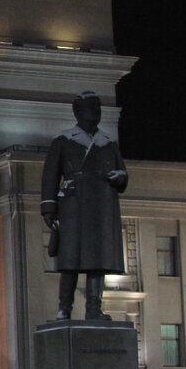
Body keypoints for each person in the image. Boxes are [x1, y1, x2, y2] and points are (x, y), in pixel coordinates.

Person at [40, 90, 128, 320]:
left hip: (101, 207)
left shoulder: (108, 143)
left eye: (98, 108)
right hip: (73, 207)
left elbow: (123, 174)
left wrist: (118, 176)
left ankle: (94, 309)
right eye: (92, 107)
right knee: (69, 262)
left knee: (97, 262)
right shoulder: (64, 141)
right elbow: (50, 175)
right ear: (78, 112)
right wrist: (49, 207)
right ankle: (64, 309)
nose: (96, 112)